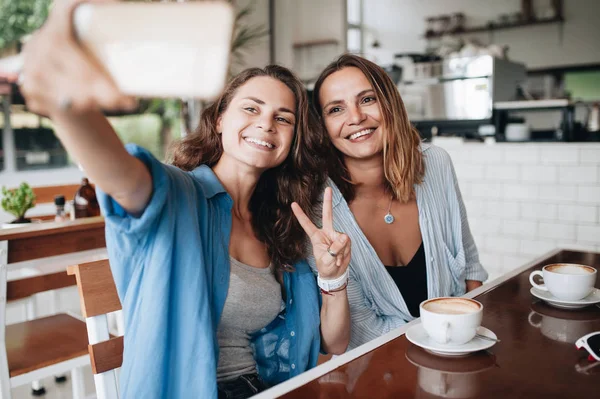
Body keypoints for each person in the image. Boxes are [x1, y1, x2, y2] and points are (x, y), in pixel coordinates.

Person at [11, 1, 351, 398]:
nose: (266, 123)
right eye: (251, 108)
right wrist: (65, 106)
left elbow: (335, 344)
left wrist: (333, 279)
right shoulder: (179, 197)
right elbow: (124, 181)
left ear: (292, 138)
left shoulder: (281, 223)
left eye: (283, 117)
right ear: (220, 119)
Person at [308, 54, 488, 350]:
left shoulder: (435, 164)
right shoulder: (318, 208)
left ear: (389, 102)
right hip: (376, 373)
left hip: (457, 353)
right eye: (336, 109)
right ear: (323, 126)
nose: (355, 117)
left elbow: (469, 269)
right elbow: (346, 338)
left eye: (367, 99)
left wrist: (471, 339)